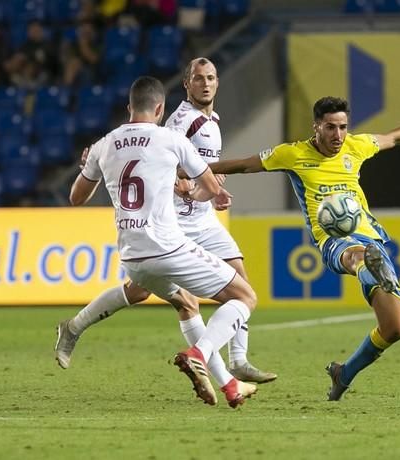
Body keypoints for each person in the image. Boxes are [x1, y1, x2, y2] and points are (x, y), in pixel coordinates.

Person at [55, 58, 276, 385]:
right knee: (152, 294)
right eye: (198, 78)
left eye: (211, 77)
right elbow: (155, 162)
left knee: (236, 283)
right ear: (185, 86)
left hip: (202, 219)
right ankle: (216, 367)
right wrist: (187, 186)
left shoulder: (211, 119)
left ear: (218, 82)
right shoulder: (179, 124)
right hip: (176, 221)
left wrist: (206, 188)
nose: (205, 83)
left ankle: (236, 363)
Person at [207, 96, 400, 401]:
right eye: (331, 127)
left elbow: (394, 137)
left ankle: (343, 373)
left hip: (372, 239)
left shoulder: (356, 147)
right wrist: (191, 171)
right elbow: (243, 164)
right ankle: (364, 265)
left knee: (394, 328)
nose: (338, 135)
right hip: (334, 241)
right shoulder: (292, 154)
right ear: (316, 126)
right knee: (356, 254)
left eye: (343, 127)